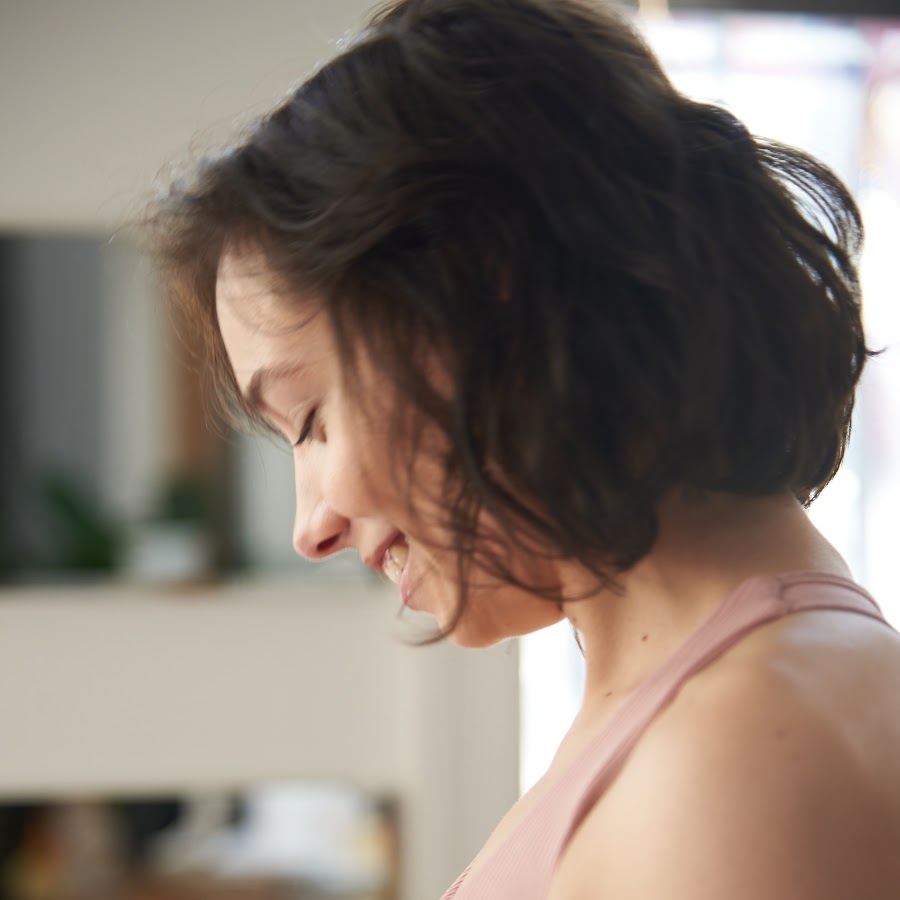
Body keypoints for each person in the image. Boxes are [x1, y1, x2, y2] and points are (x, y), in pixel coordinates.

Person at [143, 0, 900, 896]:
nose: (313, 529)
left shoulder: (737, 752)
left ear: (479, 299)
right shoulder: (710, 704)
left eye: (310, 418)